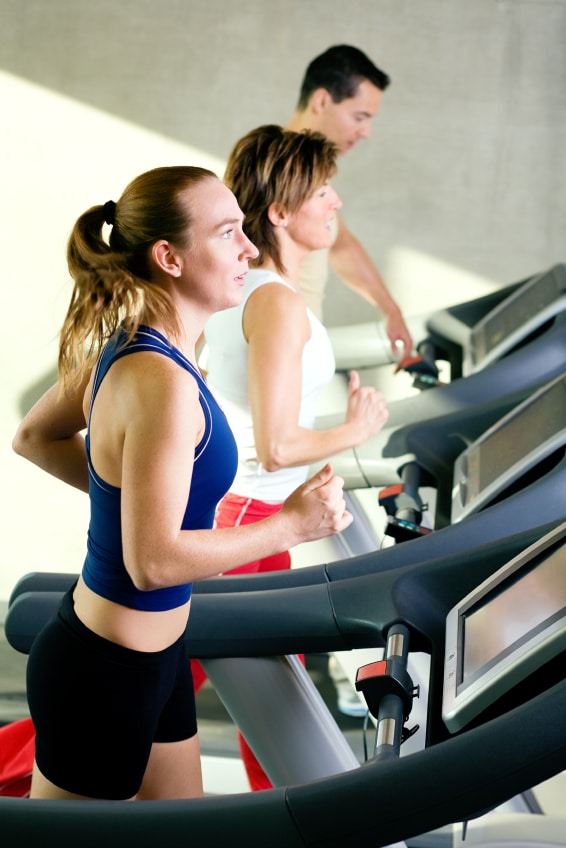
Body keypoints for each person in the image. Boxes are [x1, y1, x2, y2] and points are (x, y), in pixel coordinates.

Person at [11, 165, 353, 802]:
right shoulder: (161, 380)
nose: (250, 249)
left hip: (159, 659)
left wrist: (135, 505)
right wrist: (290, 526)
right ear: (169, 256)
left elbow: (34, 437)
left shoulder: (147, 345)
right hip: (104, 670)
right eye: (228, 233)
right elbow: (153, 562)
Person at [197, 125, 390, 790]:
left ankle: (293, 815)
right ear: (280, 212)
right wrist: (354, 428)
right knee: (128, 694)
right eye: (325, 191)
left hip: (247, 515)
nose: (337, 203)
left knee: (276, 701)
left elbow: (265, 429)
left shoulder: (252, 290)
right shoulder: (275, 301)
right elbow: (278, 442)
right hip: (243, 523)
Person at [286, 44, 413, 359]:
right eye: (360, 116)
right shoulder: (273, 170)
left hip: (298, 356)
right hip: (276, 358)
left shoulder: (314, 172)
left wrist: (390, 309)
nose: (366, 131)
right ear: (322, 100)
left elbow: (339, 244)